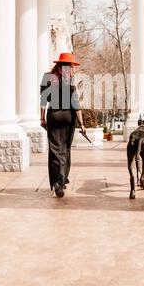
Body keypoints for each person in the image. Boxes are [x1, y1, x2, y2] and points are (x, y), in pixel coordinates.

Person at [40, 52, 86, 198]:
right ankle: (63, 178)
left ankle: (57, 183)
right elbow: (76, 104)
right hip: (68, 117)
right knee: (65, 148)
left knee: (55, 150)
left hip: (53, 116)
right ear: (69, 66)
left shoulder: (47, 77)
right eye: (71, 66)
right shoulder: (69, 80)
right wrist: (82, 124)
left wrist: (42, 119)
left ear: (58, 64)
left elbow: (43, 101)